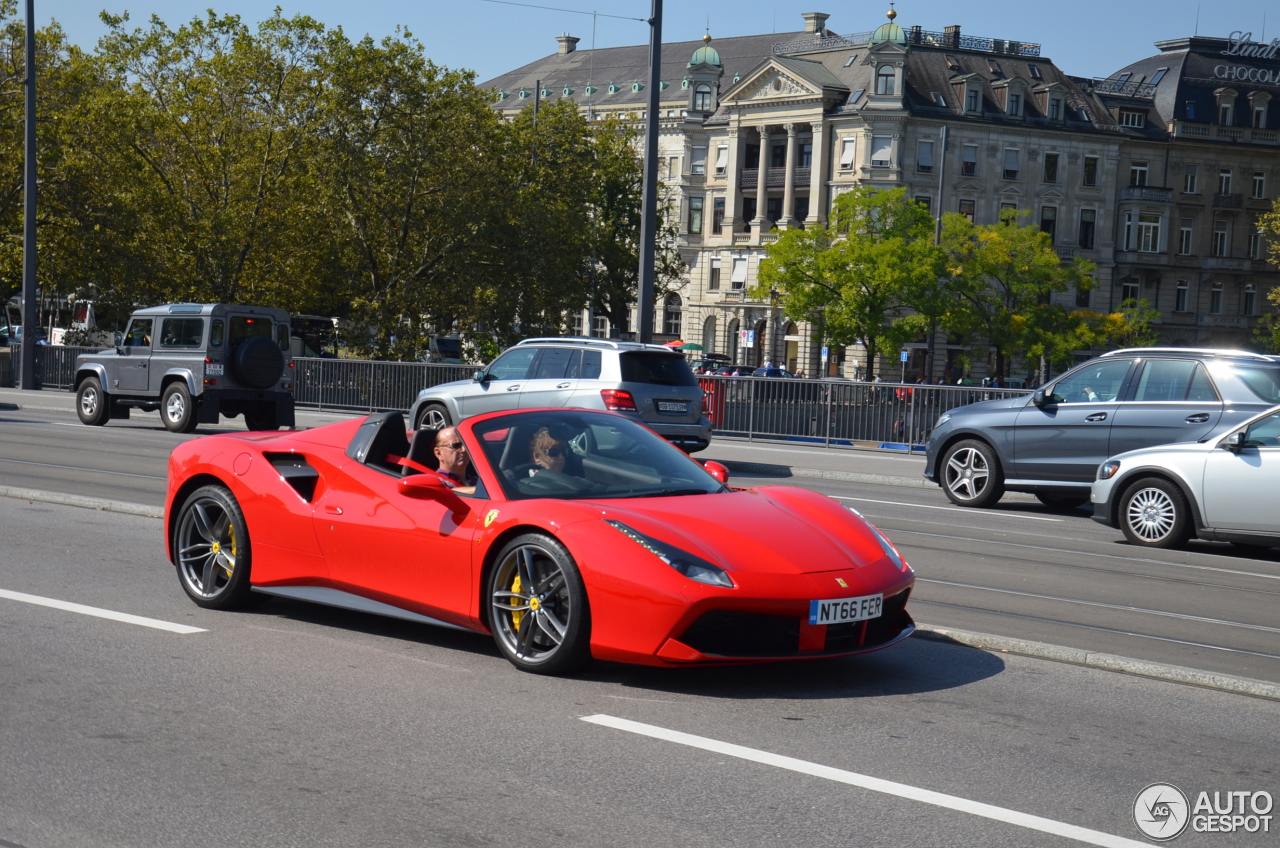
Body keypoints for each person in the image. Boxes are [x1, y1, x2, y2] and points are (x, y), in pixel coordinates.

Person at [432, 427, 478, 494]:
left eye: (466, 444)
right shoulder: (435, 482)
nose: (464, 449)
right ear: (438, 453)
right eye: (456, 446)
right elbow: (445, 493)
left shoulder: (478, 481)